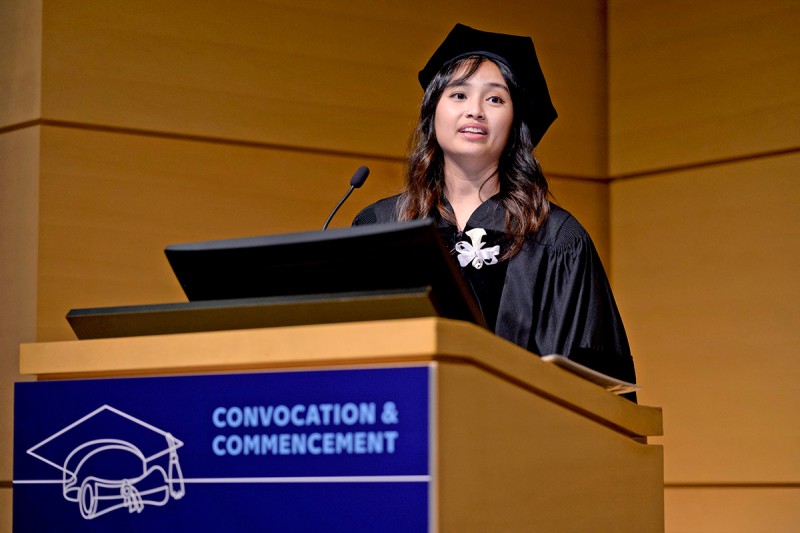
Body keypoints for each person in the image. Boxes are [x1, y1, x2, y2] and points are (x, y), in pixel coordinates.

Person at [353, 24, 636, 396]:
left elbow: (594, 392)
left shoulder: (557, 240)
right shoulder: (381, 227)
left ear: (515, 123)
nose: (475, 111)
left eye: (495, 99)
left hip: (518, 441)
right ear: (433, 113)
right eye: (458, 94)